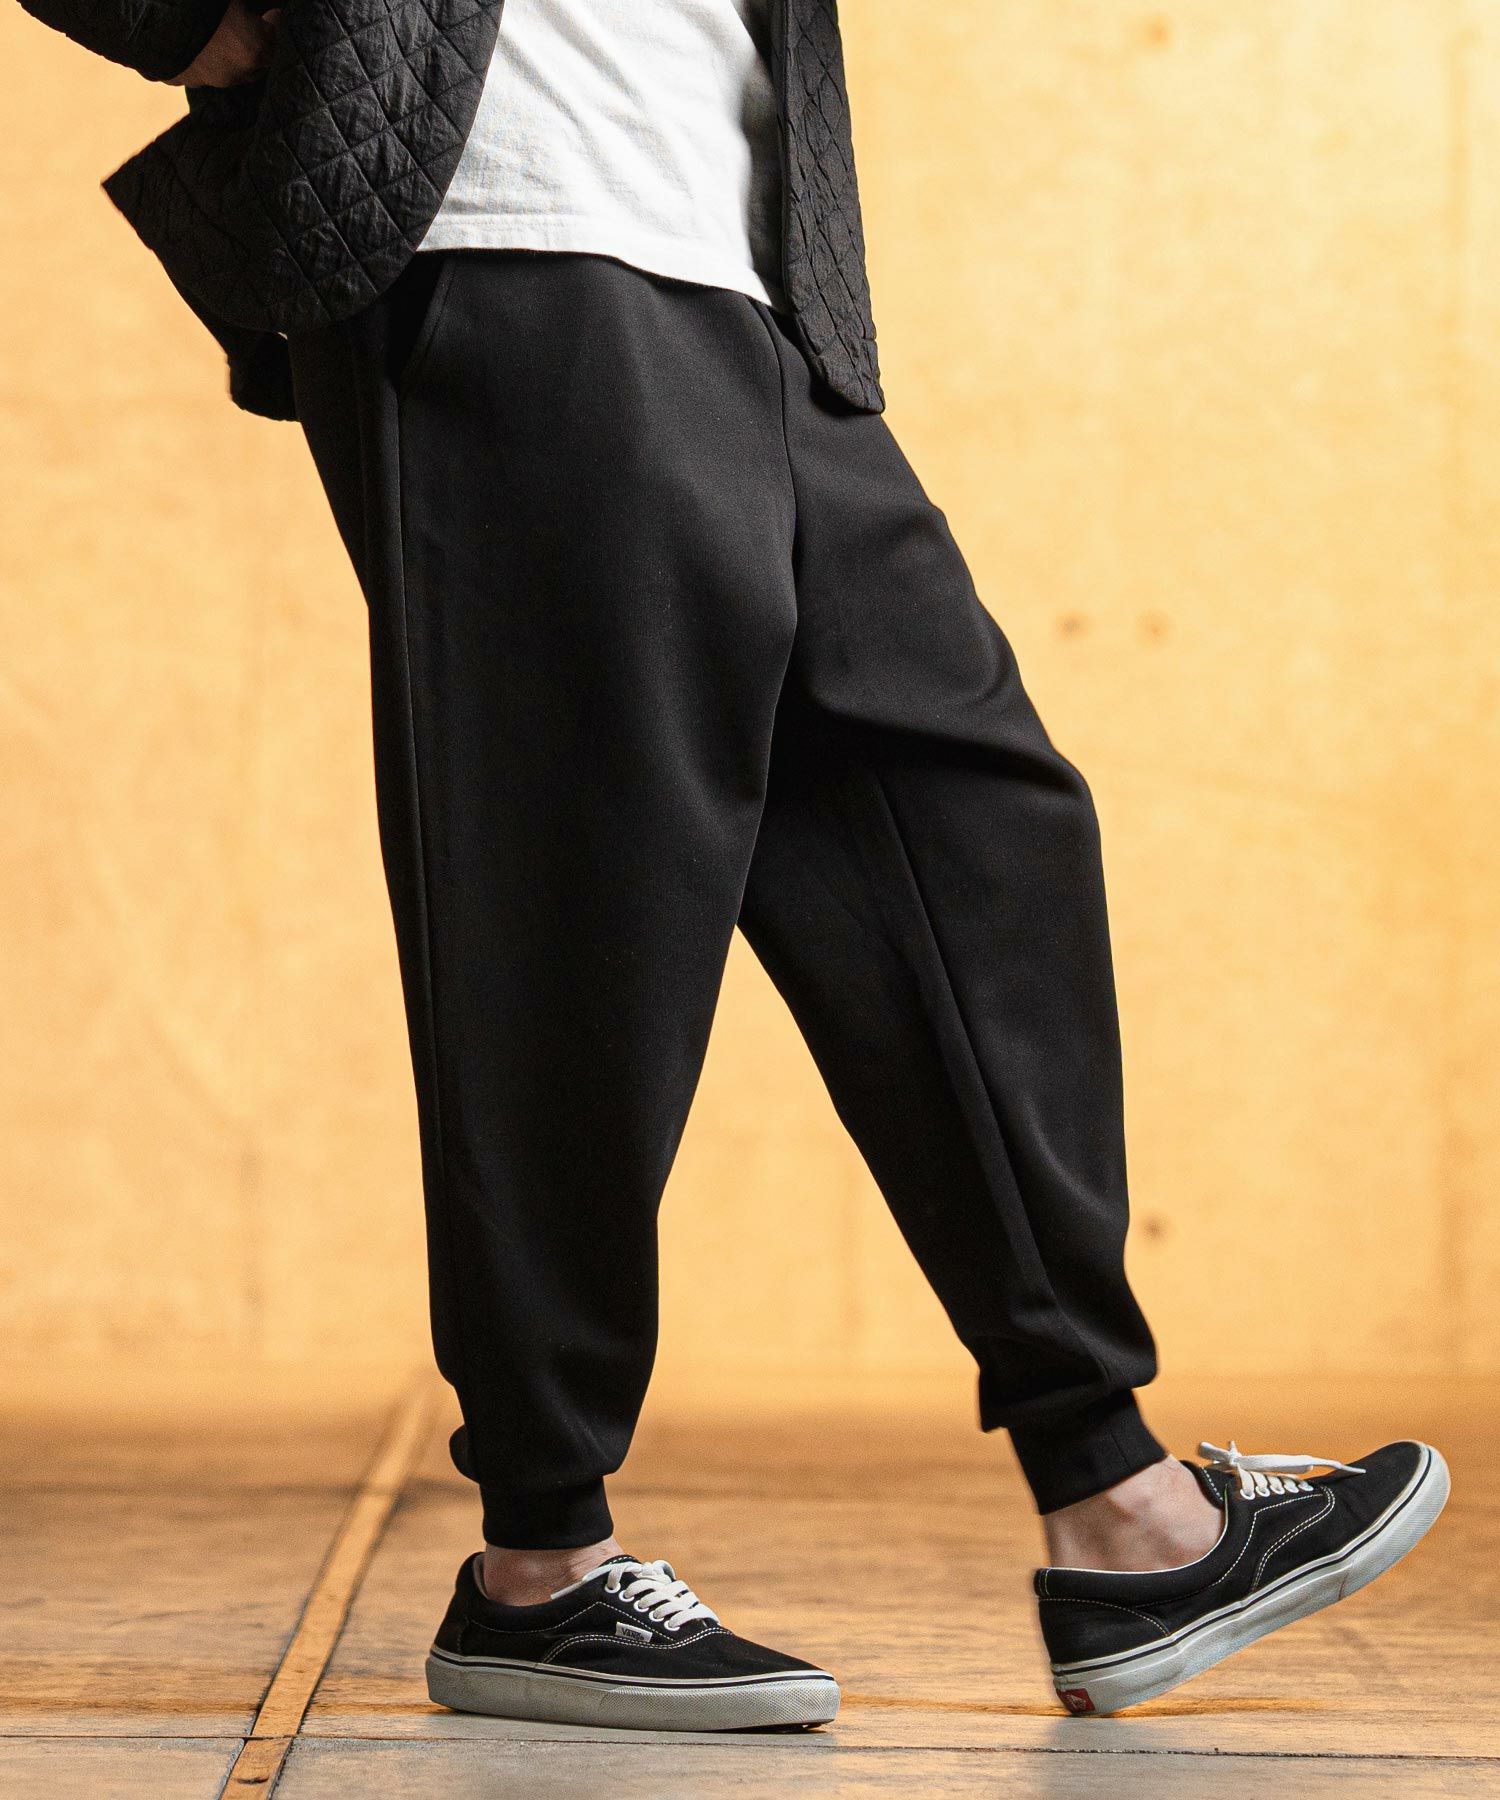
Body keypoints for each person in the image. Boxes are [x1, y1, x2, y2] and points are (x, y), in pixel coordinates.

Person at [18, 0, 1448, 1730]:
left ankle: (1122, 1506)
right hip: (501, 228)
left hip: (742, 246)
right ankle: (542, 1560)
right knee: (574, 895)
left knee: (969, 829)